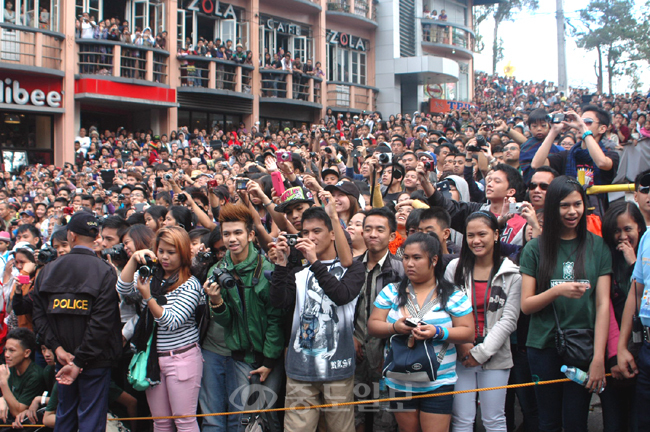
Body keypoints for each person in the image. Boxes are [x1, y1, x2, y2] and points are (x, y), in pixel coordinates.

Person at [520, 176, 611, 432]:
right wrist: (557, 290)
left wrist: (599, 358)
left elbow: (603, 304)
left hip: (583, 347)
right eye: (564, 205)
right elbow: (527, 305)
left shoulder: (598, 246)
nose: (572, 212)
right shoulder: (535, 249)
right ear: (552, 208)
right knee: (547, 422)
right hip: (543, 345)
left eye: (578, 204)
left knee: (575, 421)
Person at [269, 206, 365, 431]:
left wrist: (314, 263)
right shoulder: (298, 272)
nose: (310, 238)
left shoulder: (353, 268)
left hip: (338, 367)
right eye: (305, 233)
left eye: (317, 231)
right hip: (300, 368)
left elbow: (341, 296)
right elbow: (279, 304)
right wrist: (281, 265)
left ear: (333, 234)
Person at [368, 233, 474, 432]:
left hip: (438, 381)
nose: (409, 263)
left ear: (433, 260)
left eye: (417, 258)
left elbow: (468, 333)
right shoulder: (391, 291)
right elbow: (373, 325)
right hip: (400, 380)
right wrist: (394, 328)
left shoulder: (453, 294)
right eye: (406, 257)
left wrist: (437, 331)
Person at [32, 211, 122, 432]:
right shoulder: (105, 271)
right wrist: (76, 359)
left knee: (65, 416)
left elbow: (39, 318)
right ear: (96, 237)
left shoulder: (47, 271)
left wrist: (60, 350)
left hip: (67, 359)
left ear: (71, 235)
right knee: (90, 419)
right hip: (91, 360)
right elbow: (101, 324)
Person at [204, 204, 284, 431]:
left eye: (237, 232)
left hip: (270, 358)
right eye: (226, 234)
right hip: (239, 357)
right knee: (243, 418)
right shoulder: (217, 271)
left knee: (267, 416)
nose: (232, 239)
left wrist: (269, 361)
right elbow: (226, 322)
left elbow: (275, 319)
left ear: (250, 235)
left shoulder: (268, 270)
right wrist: (216, 302)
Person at [117, 226, 204, 432]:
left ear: (183, 253)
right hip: (154, 359)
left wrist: (148, 297)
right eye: (161, 251)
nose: (164, 257)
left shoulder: (191, 285)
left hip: (181, 358)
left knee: (184, 420)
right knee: (161, 422)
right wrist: (133, 260)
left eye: (171, 252)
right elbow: (122, 288)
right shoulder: (153, 275)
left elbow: (171, 321)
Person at [445, 211, 521, 432]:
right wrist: (463, 346)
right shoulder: (455, 269)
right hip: (462, 353)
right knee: (462, 419)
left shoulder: (511, 273)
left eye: (482, 234)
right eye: (470, 236)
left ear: (496, 235)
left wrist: (482, 352)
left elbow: (509, 320)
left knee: (494, 419)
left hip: (496, 355)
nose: (475, 241)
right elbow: (448, 310)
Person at [353, 207, 404, 432]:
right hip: (356, 354)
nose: (373, 234)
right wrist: (350, 334)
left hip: (388, 355)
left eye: (380, 229)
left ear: (392, 236)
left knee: (386, 418)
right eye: (368, 229)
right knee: (357, 414)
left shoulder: (401, 270)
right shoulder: (351, 267)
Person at [599, 201, 646, 431]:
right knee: (614, 422)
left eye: (627, 229)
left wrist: (634, 264)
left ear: (639, 228)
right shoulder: (604, 258)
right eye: (616, 230)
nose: (622, 236)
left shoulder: (644, 257)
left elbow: (641, 301)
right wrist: (615, 354)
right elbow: (603, 307)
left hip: (642, 352)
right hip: (613, 352)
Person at [0, 328, 45, 425]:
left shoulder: (35, 375)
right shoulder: (10, 367)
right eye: (6, 350)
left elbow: (17, 412)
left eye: (12, 351)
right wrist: (2, 399)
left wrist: (3, 383)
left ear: (27, 353)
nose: (6, 355)